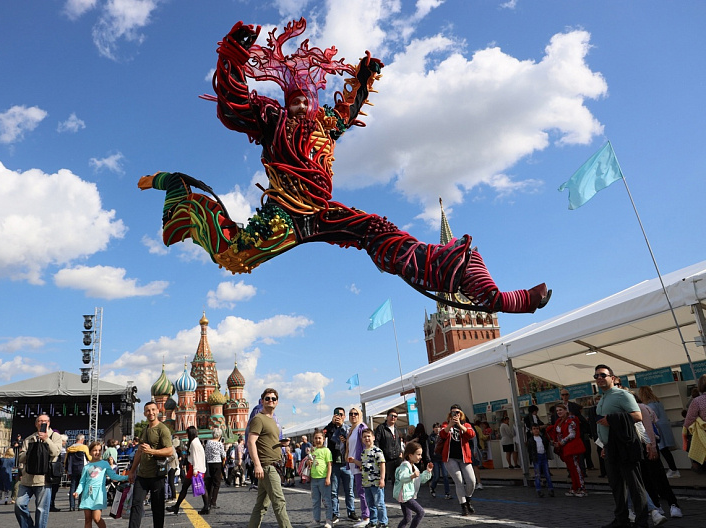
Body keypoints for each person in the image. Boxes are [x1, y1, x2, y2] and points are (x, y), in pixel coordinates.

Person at [138, 18, 551, 316]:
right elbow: (234, 103)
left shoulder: (324, 126)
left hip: (323, 213)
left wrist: (366, 77)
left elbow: (349, 110)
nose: (299, 103)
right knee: (233, 253)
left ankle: (478, 285)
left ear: (313, 102)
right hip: (283, 214)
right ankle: (176, 190)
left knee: (379, 231)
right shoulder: (271, 120)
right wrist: (233, 53)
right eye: (294, 99)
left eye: (305, 99)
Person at [594, 364, 649, 528]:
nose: (599, 378)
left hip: (625, 446)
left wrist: (611, 419)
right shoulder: (602, 398)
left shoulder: (622, 394)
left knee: (634, 485)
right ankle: (621, 519)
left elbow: (638, 416)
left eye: (603, 375)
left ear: (612, 377)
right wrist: (604, 445)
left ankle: (641, 521)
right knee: (617, 486)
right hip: (610, 446)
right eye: (596, 376)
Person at [247, 388, 293, 528]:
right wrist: (257, 465)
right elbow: (251, 441)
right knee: (279, 502)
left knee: (261, 505)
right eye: (267, 398)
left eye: (273, 399)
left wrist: (281, 444)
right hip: (267, 466)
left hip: (275, 465)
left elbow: (266, 441)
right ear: (262, 401)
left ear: (277, 402)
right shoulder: (258, 419)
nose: (270, 401)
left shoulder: (272, 420)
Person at [635, 393, 682, 522]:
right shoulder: (644, 407)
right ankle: (660, 505)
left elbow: (649, 428)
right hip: (642, 448)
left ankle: (671, 504)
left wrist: (653, 446)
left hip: (647, 446)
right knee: (649, 479)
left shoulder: (640, 408)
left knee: (657, 478)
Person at [127, 401, 173, 528]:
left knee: (157, 508)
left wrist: (152, 451)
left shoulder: (163, 429)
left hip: (157, 475)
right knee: (136, 504)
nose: (150, 412)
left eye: (153, 410)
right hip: (142, 476)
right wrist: (132, 471)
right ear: (144, 413)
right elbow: (139, 453)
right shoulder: (144, 430)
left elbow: (169, 451)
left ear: (158, 411)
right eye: (148, 410)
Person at [15, 413, 62, 528]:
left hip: (43, 479)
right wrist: (31, 450)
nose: (42, 423)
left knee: (41, 510)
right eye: (40, 421)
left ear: (49, 423)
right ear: (36, 424)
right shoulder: (29, 438)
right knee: (19, 505)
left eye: (45, 421)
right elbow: (20, 458)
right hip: (27, 479)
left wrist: (46, 439)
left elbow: (55, 452)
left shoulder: (55, 436)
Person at [73, 440, 128, 528]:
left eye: (99, 450)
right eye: (95, 450)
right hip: (87, 495)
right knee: (87, 519)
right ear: (90, 452)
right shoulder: (86, 467)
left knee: (96, 518)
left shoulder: (104, 464)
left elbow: (113, 476)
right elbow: (82, 482)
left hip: (99, 495)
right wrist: (77, 492)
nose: (97, 452)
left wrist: (126, 477)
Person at [437, 404, 477, 516]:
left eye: (458, 412)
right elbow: (442, 435)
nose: (456, 414)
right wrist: (450, 425)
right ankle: (463, 506)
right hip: (450, 458)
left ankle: (468, 499)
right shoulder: (446, 424)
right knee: (459, 481)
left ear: (461, 414)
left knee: (471, 481)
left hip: (464, 458)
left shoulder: (466, 424)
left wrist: (459, 425)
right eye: (453, 413)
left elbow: (471, 434)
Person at [638, 386, 679, 478]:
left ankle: (673, 469)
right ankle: (673, 469)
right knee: (665, 449)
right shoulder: (658, 402)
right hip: (665, 426)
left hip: (658, 427)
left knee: (662, 449)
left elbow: (651, 419)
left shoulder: (648, 406)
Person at [547, 404, 586, 497]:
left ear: (565, 410)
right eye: (557, 411)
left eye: (560, 410)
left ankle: (581, 487)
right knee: (571, 468)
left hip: (572, 447)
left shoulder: (571, 420)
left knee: (576, 467)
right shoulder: (560, 421)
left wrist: (561, 442)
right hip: (565, 448)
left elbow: (572, 434)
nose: (559, 412)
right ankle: (575, 486)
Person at [325, 406, 355, 523]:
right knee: (334, 491)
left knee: (350, 490)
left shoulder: (348, 429)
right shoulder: (330, 428)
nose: (339, 417)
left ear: (344, 416)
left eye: (341, 415)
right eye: (337, 415)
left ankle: (351, 512)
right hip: (334, 463)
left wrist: (341, 426)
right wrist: (331, 424)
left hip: (346, 463)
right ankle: (335, 513)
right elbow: (324, 435)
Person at [169, 425, 208, 514]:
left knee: (186, 488)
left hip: (194, 468)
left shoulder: (194, 443)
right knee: (201, 487)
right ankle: (206, 507)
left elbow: (195, 457)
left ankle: (176, 506)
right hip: (198, 467)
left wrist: (195, 469)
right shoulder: (197, 442)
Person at [352, 429, 388, 528]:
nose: (367, 438)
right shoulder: (364, 452)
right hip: (366, 483)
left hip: (376, 482)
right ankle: (373, 521)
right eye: (364, 437)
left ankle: (383, 522)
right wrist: (354, 461)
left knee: (379, 503)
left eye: (368, 436)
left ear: (373, 437)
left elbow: (382, 465)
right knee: (370, 503)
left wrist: (382, 479)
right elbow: (363, 465)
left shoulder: (377, 451)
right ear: (362, 439)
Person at [393, 441, 432, 528]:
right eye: (418, 454)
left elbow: (420, 479)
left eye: (421, 454)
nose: (420, 457)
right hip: (405, 496)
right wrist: (412, 476)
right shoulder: (405, 466)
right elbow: (403, 478)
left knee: (407, 518)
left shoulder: (413, 466)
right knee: (420, 512)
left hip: (406, 495)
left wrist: (427, 472)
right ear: (410, 455)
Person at [345, 407, 370, 527]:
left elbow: (366, 444)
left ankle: (366, 516)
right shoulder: (351, 429)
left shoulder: (362, 427)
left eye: (355, 413)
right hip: (353, 464)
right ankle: (367, 515)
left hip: (360, 464)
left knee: (362, 491)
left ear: (360, 415)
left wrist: (363, 462)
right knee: (360, 490)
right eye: (351, 414)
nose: (353, 415)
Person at [560, 388, 593, 474]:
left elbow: (581, 418)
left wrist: (585, 430)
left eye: (566, 394)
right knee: (568, 454)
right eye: (563, 395)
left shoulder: (574, 405)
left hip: (576, 433)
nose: (565, 396)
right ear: (561, 396)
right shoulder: (559, 407)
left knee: (579, 454)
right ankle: (571, 472)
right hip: (565, 433)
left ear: (569, 395)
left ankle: (582, 471)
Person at [308, 429, 333, 528]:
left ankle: (329, 520)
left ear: (323, 439)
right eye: (316, 438)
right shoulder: (312, 450)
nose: (318, 440)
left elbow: (329, 464)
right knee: (315, 501)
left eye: (319, 438)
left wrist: (328, 477)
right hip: (314, 479)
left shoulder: (326, 450)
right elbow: (309, 462)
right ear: (313, 440)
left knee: (327, 500)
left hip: (323, 478)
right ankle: (316, 520)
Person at [374, 409, 402, 484]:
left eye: (395, 416)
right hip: (385, 458)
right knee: (383, 481)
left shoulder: (396, 428)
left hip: (396, 458)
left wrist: (400, 452)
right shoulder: (381, 428)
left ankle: (396, 495)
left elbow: (398, 441)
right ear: (387, 416)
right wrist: (378, 455)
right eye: (391, 415)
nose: (393, 417)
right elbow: (376, 441)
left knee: (397, 481)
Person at [527, 424, 554, 498]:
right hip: (537, 457)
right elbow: (530, 450)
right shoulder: (531, 440)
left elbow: (546, 446)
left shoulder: (543, 438)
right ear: (532, 431)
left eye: (537, 428)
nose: (536, 430)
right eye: (534, 429)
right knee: (537, 475)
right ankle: (539, 490)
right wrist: (532, 459)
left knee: (547, 474)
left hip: (543, 456)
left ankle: (551, 489)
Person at [66, 434, 91, 512]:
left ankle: (71, 506)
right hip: (82, 469)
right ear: (82, 440)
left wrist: (67, 470)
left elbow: (66, 461)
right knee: (82, 486)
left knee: (72, 487)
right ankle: (80, 505)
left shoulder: (70, 448)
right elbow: (88, 457)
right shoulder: (84, 447)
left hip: (73, 470)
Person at [427, 423, 451, 499]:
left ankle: (447, 493)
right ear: (433, 429)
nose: (437, 429)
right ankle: (432, 487)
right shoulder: (430, 437)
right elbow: (428, 448)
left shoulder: (442, 436)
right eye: (435, 427)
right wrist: (429, 459)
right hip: (434, 459)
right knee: (436, 476)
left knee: (445, 475)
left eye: (438, 427)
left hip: (442, 458)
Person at [205, 427, 225, 509]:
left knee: (209, 483)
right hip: (217, 463)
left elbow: (205, 453)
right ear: (219, 435)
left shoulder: (208, 442)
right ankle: (213, 502)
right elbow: (223, 454)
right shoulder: (219, 444)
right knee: (216, 483)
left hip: (209, 463)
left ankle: (208, 501)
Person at [49, 434, 67, 513]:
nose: (65, 443)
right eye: (64, 441)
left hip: (56, 470)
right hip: (55, 470)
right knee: (53, 489)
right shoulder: (61, 451)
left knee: (53, 490)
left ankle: (51, 504)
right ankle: (50, 505)